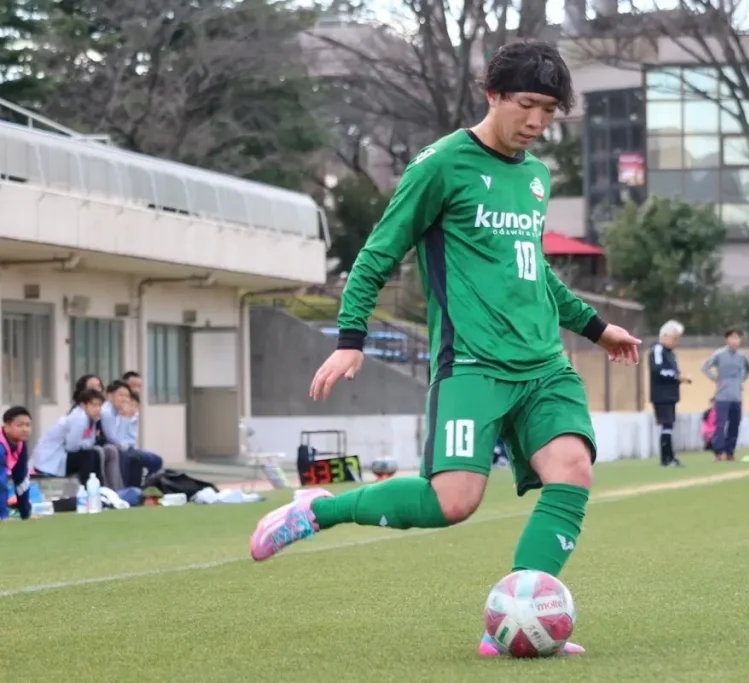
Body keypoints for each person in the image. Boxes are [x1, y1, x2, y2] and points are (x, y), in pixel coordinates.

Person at [248, 40, 642, 657]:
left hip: (544, 368)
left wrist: (595, 327)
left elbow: (531, 271)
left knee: (572, 471)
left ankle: (515, 623)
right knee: (452, 502)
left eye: (549, 111)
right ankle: (320, 509)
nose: (537, 123)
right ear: (492, 94)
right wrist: (351, 339)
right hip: (473, 368)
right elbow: (379, 251)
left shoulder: (536, 178)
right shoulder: (441, 165)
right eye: (527, 105)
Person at [31, 388, 106, 483]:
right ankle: (87, 489)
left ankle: (99, 489)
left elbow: (89, 442)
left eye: (99, 405)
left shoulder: (91, 419)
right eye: (94, 405)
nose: (98, 409)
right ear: (83, 405)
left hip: (61, 457)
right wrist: (85, 444)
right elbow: (72, 447)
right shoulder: (79, 418)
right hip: (49, 461)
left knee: (94, 453)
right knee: (86, 456)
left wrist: (85, 444)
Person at [701, 328, 749, 462]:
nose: (735, 341)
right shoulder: (719, 354)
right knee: (720, 425)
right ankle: (718, 452)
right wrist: (716, 378)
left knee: (734, 424)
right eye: (732, 338)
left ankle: (730, 452)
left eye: (737, 338)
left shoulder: (742, 356)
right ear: (727, 339)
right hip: (722, 396)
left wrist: (740, 380)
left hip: (737, 395)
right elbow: (705, 367)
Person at [648, 320, 691, 467]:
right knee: (667, 425)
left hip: (670, 395)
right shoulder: (658, 350)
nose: (676, 342)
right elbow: (657, 370)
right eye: (674, 338)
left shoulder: (671, 353)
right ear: (664, 336)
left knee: (669, 425)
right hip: (661, 394)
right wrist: (676, 377)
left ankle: (670, 457)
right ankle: (666, 459)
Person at [0, 406, 33, 521]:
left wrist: (26, 514)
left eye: (28, 425)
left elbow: (21, 480)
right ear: (7, 426)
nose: (25, 429)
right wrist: (3, 516)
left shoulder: (20, 444)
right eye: (20, 425)